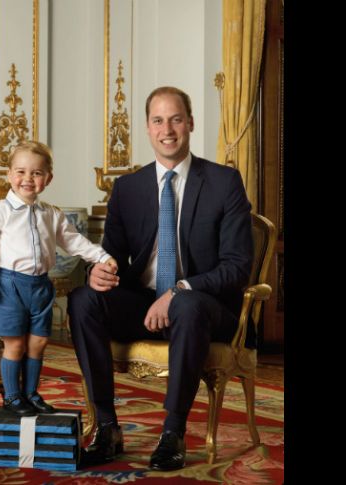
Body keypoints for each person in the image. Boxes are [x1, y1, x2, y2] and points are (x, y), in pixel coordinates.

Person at [68, 86, 253, 471]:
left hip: (205, 307)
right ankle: (106, 428)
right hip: (143, 303)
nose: (166, 129)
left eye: (175, 119)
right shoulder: (128, 188)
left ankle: (173, 433)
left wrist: (180, 289)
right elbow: (112, 257)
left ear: (190, 123)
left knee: (185, 303)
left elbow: (237, 266)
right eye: (157, 120)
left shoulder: (224, 182)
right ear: (147, 128)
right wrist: (97, 272)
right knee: (83, 298)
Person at [0, 140, 117, 417]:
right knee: (14, 343)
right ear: (9, 175)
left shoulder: (50, 214)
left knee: (37, 343)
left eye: (36, 173)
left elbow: (73, 241)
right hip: (9, 285)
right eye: (21, 172)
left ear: (47, 179)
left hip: (40, 286)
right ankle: (12, 396)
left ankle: (31, 393)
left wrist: (100, 256)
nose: (28, 179)